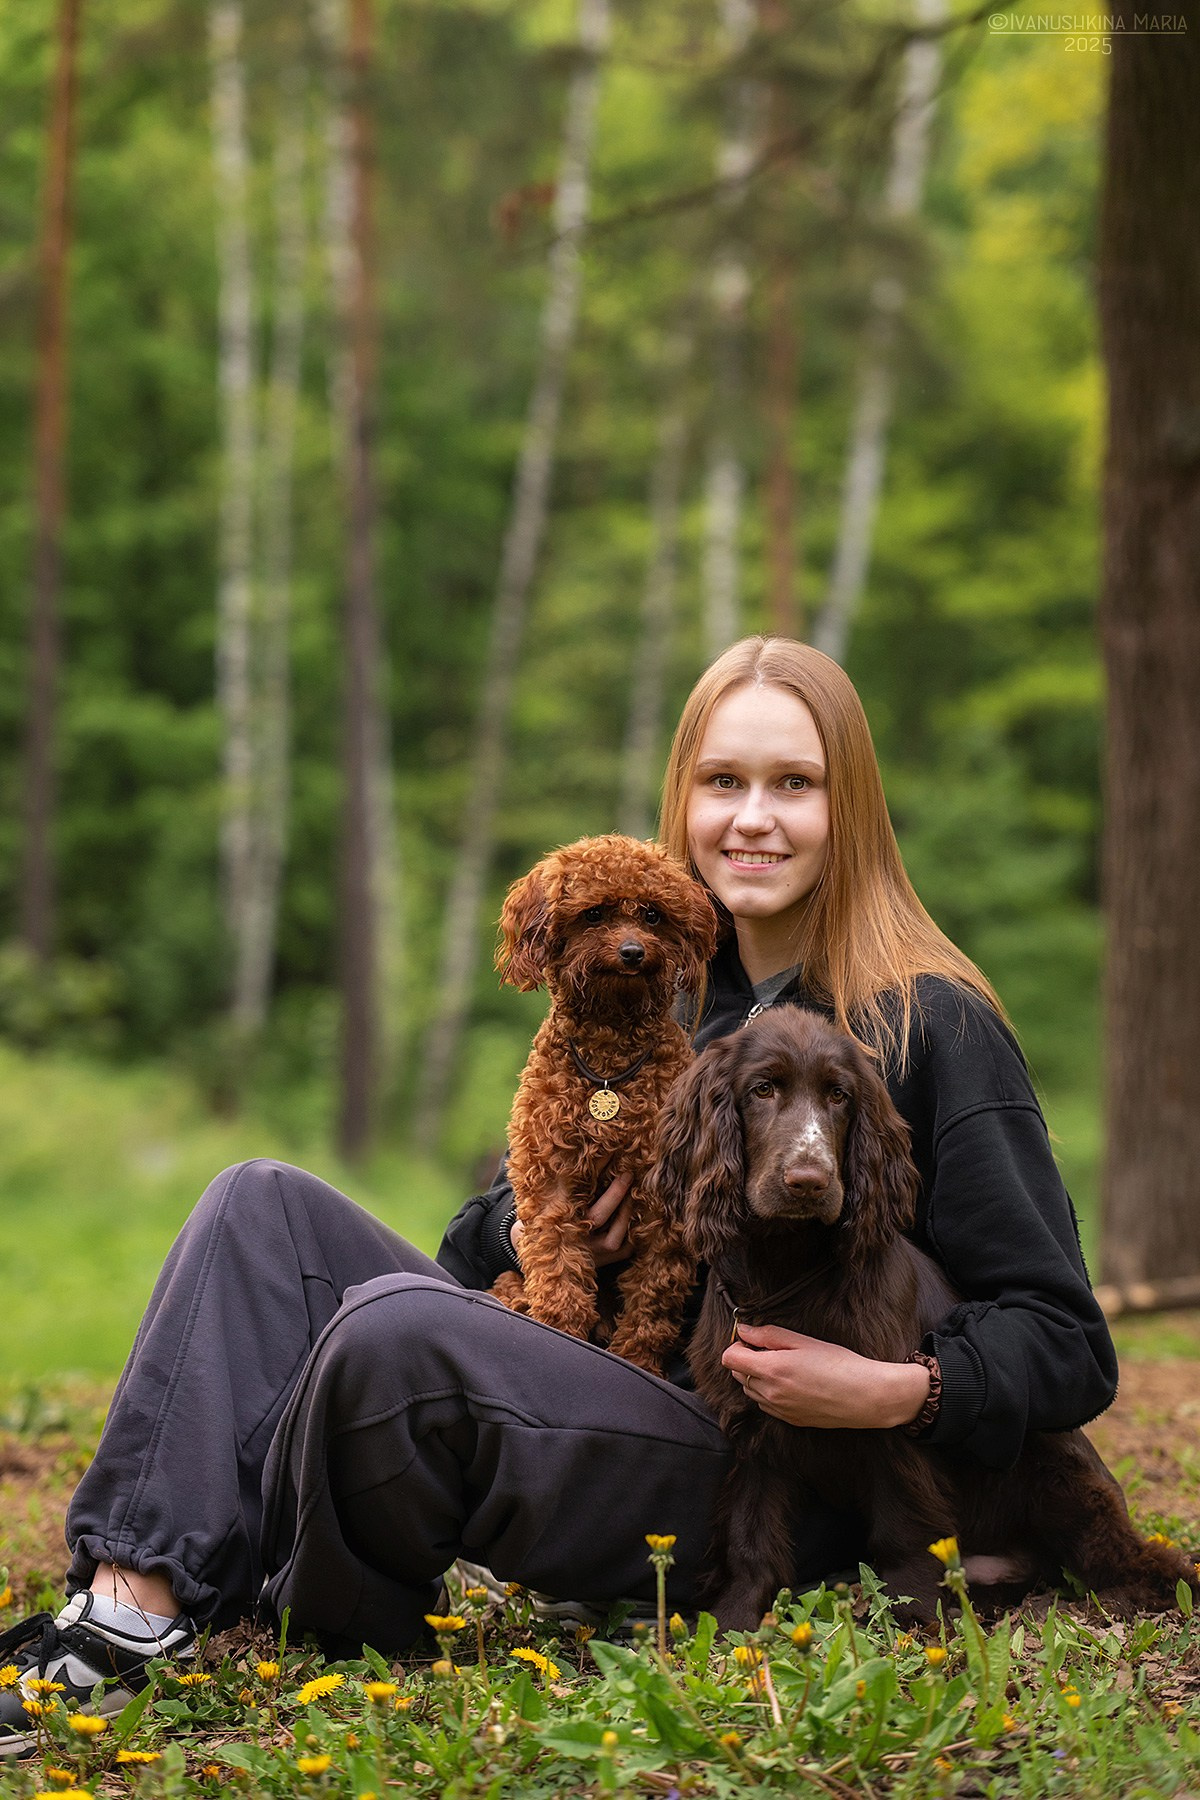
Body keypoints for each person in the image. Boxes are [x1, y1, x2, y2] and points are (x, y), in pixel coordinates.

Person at [0, 636, 1117, 1757]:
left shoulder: (925, 1020)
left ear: (853, 806)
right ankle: (125, 1609)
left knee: (399, 1338)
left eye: (796, 784)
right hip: (592, 1375)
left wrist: (895, 1392)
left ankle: (261, 1583)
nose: (753, 818)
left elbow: (1065, 1340)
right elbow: (476, 1242)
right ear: (681, 801)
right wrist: (553, 1219)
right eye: (723, 782)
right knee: (260, 1204)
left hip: (760, 1472)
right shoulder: (654, 990)